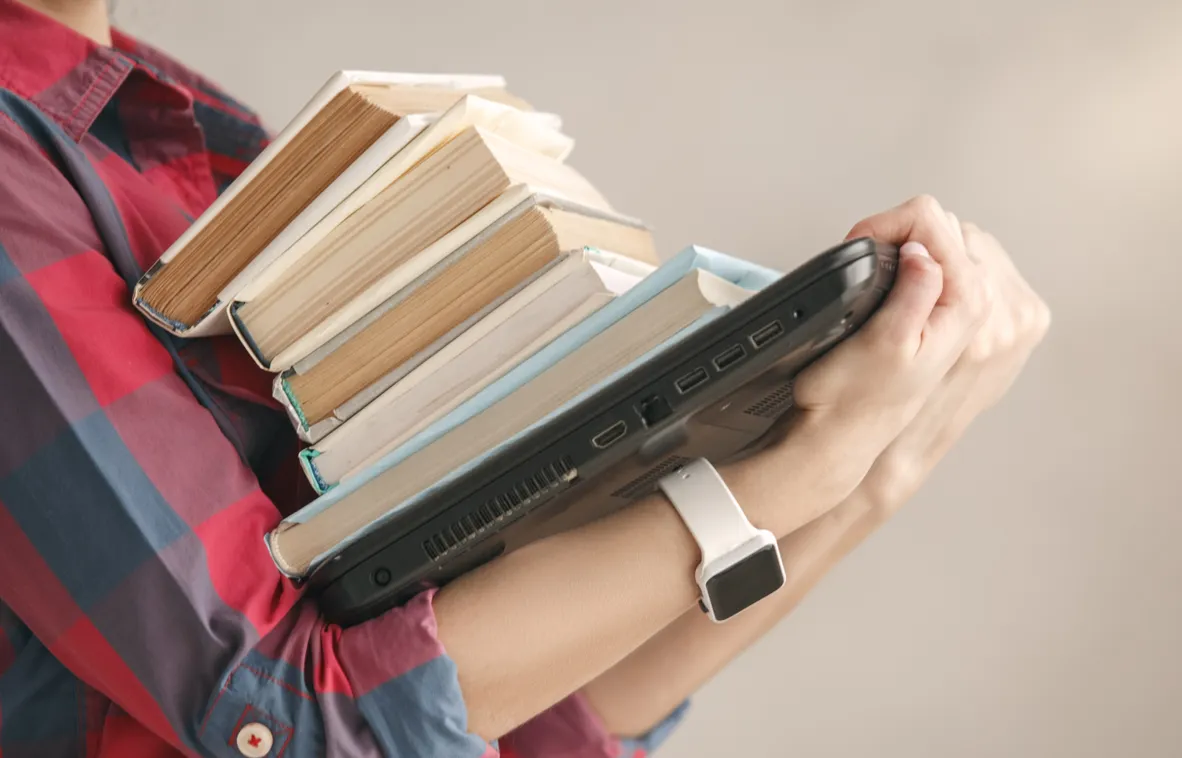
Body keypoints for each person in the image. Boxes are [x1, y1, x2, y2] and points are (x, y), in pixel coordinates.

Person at [0, 0, 1050, 756]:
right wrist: (800, 477)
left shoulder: (172, 128)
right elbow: (291, 714)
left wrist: (867, 470)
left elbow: (517, 719)